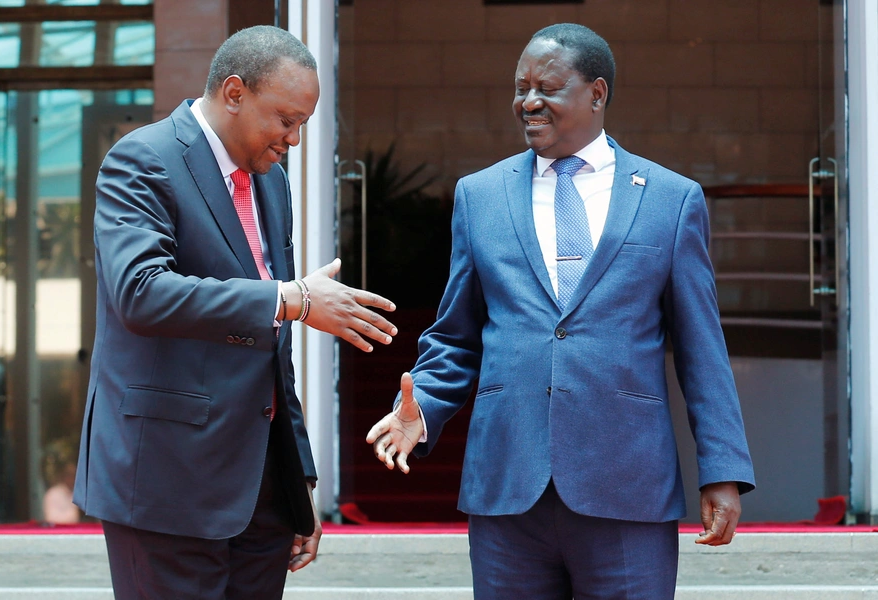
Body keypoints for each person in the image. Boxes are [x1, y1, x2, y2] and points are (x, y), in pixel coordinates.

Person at [367, 23, 755, 599]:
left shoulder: (672, 200)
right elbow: (456, 336)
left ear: (597, 94)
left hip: (626, 485)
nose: (528, 101)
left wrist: (722, 469)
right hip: (508, 485)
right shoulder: (481, 195)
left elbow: (702, 347)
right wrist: (422, 405)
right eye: (521, 87)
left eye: (547, 87)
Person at [73, 25, 397, 599]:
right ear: (233, 92)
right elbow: (140, 292)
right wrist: (290, 298)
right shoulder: (142, 159)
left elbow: (271, 345)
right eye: (285, 119)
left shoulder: (271, 184)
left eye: (302, 124)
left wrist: (298, 480)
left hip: (261, 495)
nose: (293, 139)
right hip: (165, 482)